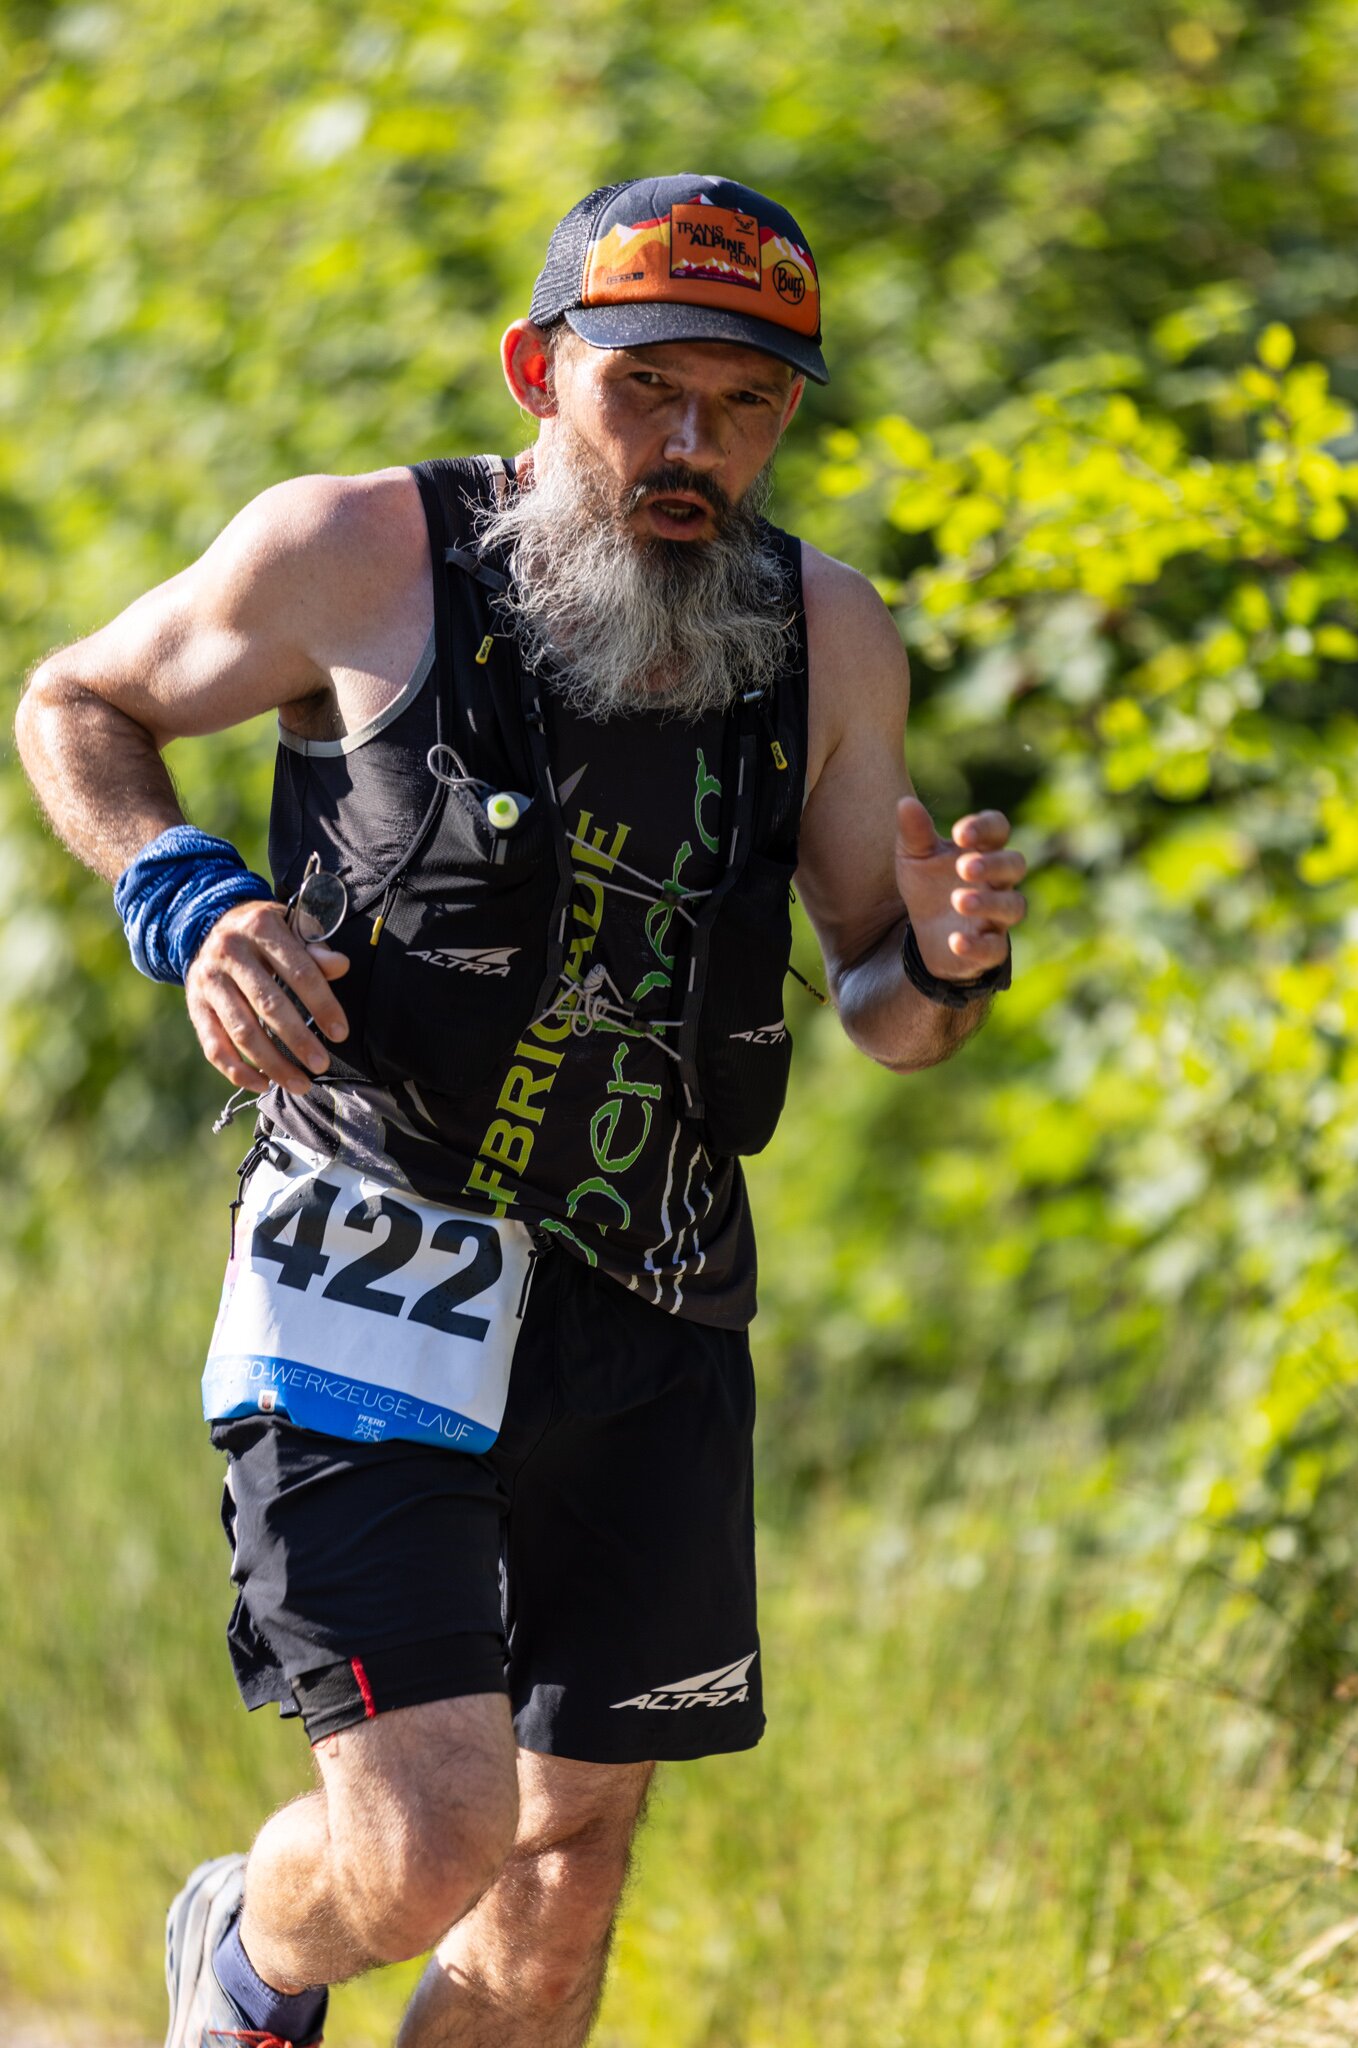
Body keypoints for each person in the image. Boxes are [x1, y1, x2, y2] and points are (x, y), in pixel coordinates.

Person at [16, 174, 1026, 2048]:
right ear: (535, 370)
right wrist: (194, 898)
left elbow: (879, 1003)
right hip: (367, 1255)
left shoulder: (825, 632)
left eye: (745, 405)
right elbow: (75, 701)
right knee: (425, 1846)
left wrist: (948, 967)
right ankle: (244, 1952)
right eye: (647, 390)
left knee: (559, 1886)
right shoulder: (354, 552)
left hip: (650, 1290)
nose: (692, 448)